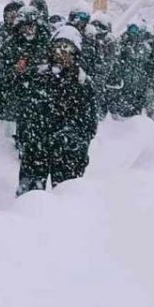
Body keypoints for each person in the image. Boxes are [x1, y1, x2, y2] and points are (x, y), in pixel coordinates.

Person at [16, 26, 98, 195]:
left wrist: (71, 140)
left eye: (68, 49)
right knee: (29, 199)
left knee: (67, 200)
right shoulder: (37, 76)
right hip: (36, 150)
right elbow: (24, 111)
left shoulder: (83, 83)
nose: (62, 53)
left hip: (69, 155)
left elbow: (89, 124)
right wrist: (29, 137)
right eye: (58, 47)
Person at [0, 5, 51, 129]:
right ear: (19, 27)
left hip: (41, 100)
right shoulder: (9, 45)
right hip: (14, 101)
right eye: (25, 27)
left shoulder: (47, 45)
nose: (29, 30)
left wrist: (37, 70)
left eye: (32, 26)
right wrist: (14, 71)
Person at [106, 21, 152, 118]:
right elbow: (115, 59)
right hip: (124, 81)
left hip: (138, 82)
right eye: (131, 29)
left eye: (135, 30)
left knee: (136, 108)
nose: (133, 33)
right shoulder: (121, 42)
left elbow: (148, 65)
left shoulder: (145, 47)